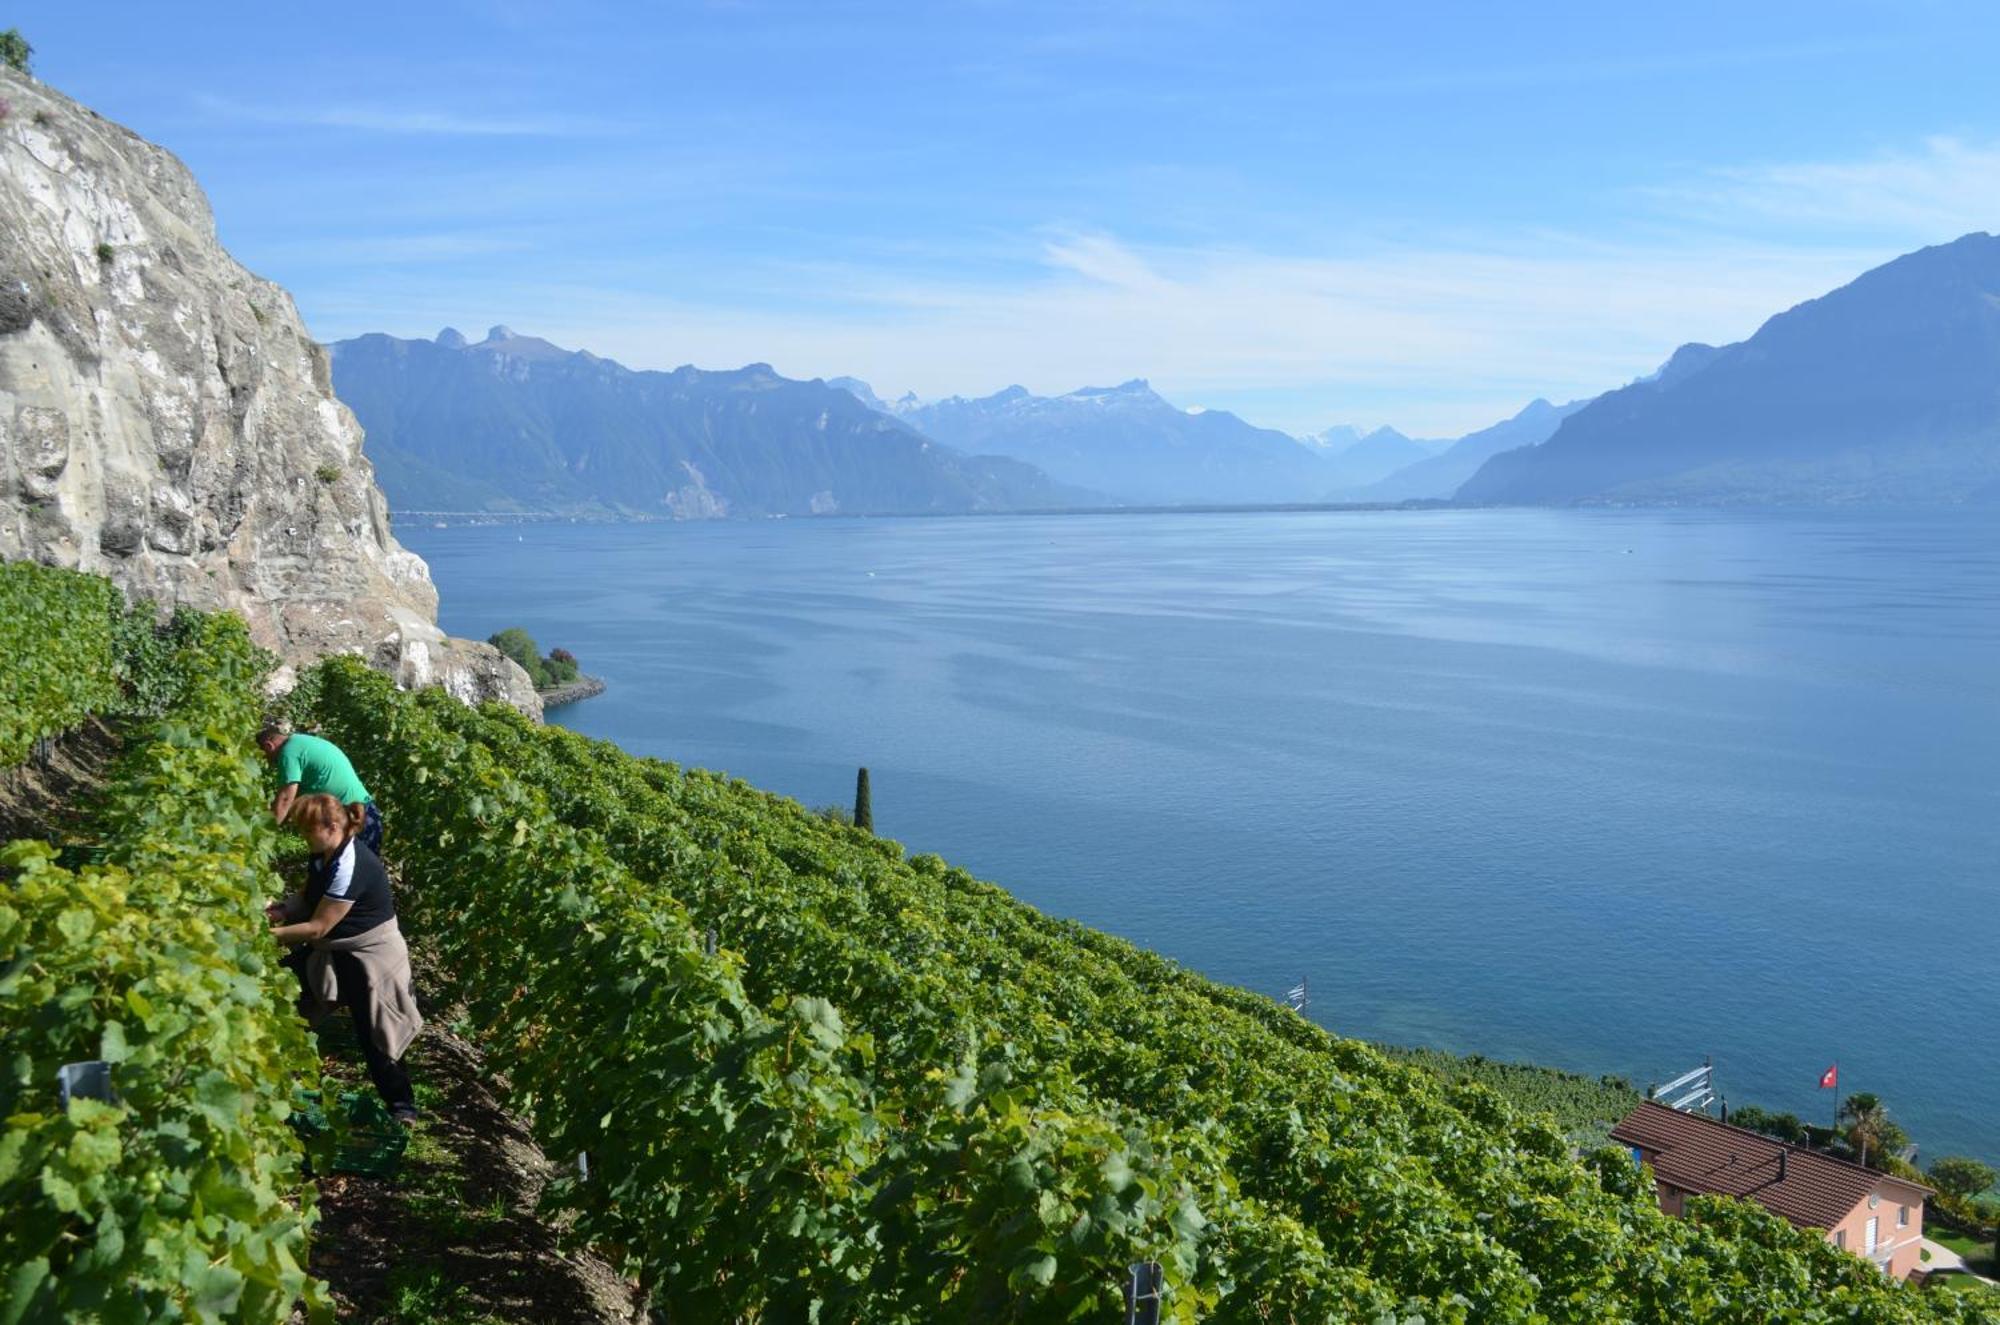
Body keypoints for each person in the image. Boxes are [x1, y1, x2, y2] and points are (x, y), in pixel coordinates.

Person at [269, 793, 423, 1121]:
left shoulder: (353, 864)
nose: (303, 836)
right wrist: (278, 910)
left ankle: (402, 1108)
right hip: (335, 947)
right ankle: (269, 1073)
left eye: (308, 830)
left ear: (333, 826)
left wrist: (268, 936)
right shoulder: (322, 854)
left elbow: (317, 927)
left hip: (370, 954)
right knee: (281, 994)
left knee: (378, 1034)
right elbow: (306, 897)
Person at [258, 720, 382, 854]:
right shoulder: (301, 742)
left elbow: (285, 800)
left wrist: (263, 835)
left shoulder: (288, 753)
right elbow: (291, 802)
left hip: (353, 819)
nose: (269, 763)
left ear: (268, 746)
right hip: (365, 814)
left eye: (264, 757)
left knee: (351, 871)